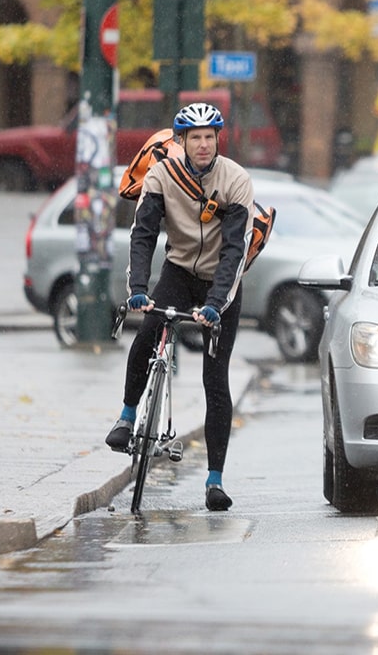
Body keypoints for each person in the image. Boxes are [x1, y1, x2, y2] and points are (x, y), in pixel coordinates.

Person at [104, 102, 255, 512]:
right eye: (196, 138)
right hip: (178, 270)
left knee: (215, 377)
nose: (204, 144)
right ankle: (126, 416)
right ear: (182, 141)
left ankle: (215, 480)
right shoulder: (162, 175)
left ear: (217, 140)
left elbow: (235, 251)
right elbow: (143, 234)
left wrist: (215, 305)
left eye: (210, 137)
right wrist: (138, 288)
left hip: (222, 283)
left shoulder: (236, 180)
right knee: (149, 330)